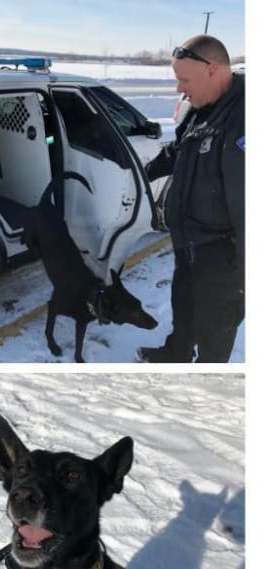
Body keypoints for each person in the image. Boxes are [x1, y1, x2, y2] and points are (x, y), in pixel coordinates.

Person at [138, 34, 244, 363]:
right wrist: (142, 172)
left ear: (213, 70)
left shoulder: (245, 118)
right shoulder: (201, 108)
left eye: (184, 80)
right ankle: (176, 353)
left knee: (216, 326)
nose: (179, 89)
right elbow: (178, 149)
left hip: (222, 255)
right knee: (183, 306)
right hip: (189, 242)